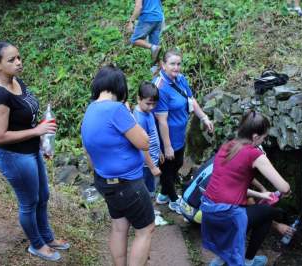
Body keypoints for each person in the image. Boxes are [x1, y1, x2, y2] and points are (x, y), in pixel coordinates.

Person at [0, 41, 69, 262]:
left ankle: (47, 237)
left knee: (43, 197)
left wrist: (43, 139)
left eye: (19, 57)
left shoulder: (17, 81)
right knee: (29, 202)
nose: (19, 62)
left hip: (32, 151)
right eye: (12, 60)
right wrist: (37, 131)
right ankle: (36, 244)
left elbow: (28, 120)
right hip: (14, 157)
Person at [81, 65, 155, 266]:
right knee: (145, 229)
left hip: (105, 181)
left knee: (119, 227)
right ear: (120, 88)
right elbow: (144, 142)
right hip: (127, 184)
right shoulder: (116, 110)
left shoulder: (90, 109)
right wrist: (129, 114)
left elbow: (88, 150)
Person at [201, 110, 290, 266]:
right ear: (255, 137)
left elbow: (231, 187)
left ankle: (223, 258)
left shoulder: (227, 146)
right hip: (227, 216)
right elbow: (284, 187)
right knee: (268, 213)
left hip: (209, 213)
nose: (264, 140)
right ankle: (248, 261)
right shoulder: (254, 154)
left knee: (255, 212)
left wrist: (262, 195)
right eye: (264, 137)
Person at [152, 49, 214, 214]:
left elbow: (191, 101)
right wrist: (167, 146)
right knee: (167, 170)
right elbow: (162, 120)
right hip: (166, 137)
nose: (176, 67)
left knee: (177, 163)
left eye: (179, 63)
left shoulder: (180, 79)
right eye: (172, 64)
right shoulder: (161, 87)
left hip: (179, 133)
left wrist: (204, 118)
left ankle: (163, 195)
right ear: (163, 65)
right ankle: (173, 200)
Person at [133, 81, 168, 226]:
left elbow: (153, 135)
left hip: (153, 158)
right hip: (146, 164)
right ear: (138, 99)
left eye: (154, 104)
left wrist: (159, 150)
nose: (151, 107)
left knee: (151, 188)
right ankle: (150, 215)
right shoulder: (139, 118)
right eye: (148, 103)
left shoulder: (147, 112)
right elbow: (142, 147)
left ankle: (150, 211)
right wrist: (152, 166)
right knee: (149, 190)